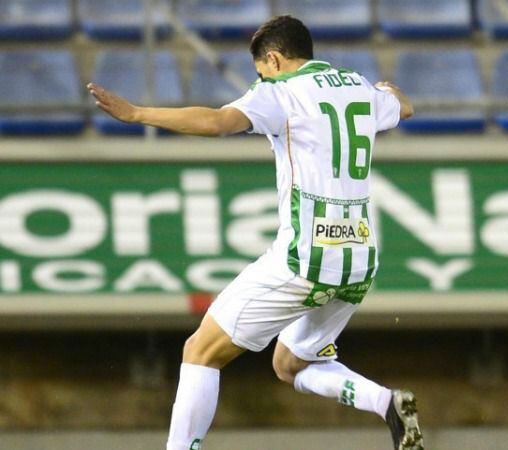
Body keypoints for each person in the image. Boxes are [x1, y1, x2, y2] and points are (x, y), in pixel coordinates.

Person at [88, 15, 421, 450]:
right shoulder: (356, 85)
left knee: (200, 351)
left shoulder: (281, 92)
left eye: (261, 71)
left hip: (306, 257)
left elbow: (216, 122)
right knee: (290, 364)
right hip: (358, 259)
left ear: (275, 60)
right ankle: (385, 402)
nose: (259, 80)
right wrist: (388, 89)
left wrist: (137, 114)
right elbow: (403, 106)